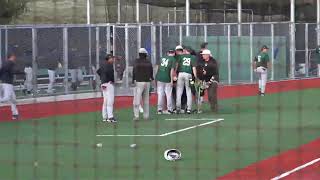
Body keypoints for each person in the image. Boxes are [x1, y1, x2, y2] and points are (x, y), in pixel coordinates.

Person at [132, 48, 154, 120]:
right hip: (147, 82)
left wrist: (133, 80)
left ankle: (136, 116)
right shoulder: (148, 62)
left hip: (138, 82)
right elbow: (151, 72)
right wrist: (151, 79)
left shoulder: (136, 62)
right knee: (146, 100)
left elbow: (134, 71)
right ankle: (146, 116)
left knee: (136, 100)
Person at [175, 46, 197, 114]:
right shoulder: (192, 57)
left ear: (186, 51)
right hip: (188, 74)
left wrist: (175, 73)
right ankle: (189, 109)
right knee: (189, 91)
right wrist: (195, 76)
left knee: (179, 91)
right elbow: (193, 68)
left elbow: (177, 65)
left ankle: (178, 108)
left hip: (181, 74)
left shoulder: (181, 56)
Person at [97, 54, 116, 123]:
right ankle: (110, 117)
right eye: (112, 58)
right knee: (110, 100)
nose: (113, 60)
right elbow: (110, 74)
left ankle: (104, 117)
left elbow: (98, 71)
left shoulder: (103, 64)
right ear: (109, 58)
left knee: (105, 100)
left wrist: (102, 78)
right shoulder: (109, 65)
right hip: (108, 84)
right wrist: (111, 80)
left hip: (103, 83)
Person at [155, 49, 176, 114]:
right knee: (168, 94)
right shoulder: (173, 59)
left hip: (159, 77)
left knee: (160, 94)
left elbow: (156, 68)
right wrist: (171, 80)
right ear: (174, 53)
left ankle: (159, 110)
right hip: (167, 78)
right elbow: (171, 71)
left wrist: (156, 77)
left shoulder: (162, 58)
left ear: (167, 53)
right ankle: (169, 109)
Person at [0, 53, 20, 120]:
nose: (15, 57)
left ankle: (15, 114)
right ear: (11, 57)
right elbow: (13, 71)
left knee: (13, 99)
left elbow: (1, 71)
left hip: (6, 83)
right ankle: (15, 114)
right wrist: (20, 72)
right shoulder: (11, 63)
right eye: (13, 56)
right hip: (8, 83)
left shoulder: (5, 63)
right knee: (6, 98)